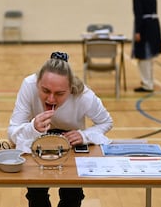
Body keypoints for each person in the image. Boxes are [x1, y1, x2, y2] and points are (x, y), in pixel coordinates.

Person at [8, 52, 113, 207]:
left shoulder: (84, 95)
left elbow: (106, 122)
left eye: (59, 93)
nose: (51, 99)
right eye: (45, 91)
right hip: (37, 145)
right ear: (37, 83)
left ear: (71, 89)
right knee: (36, 194)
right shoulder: (29, 85)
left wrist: (84, 136)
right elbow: (12, 132)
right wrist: (33, 127)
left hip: (71, 147)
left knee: (73, 196)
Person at [132, 0, 161, 92]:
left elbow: (138, 14)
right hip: (153, 26)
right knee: (149, 57)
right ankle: (149, 81)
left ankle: (147, 84)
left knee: (144, 57)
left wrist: (138, 31)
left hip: (144, 28)